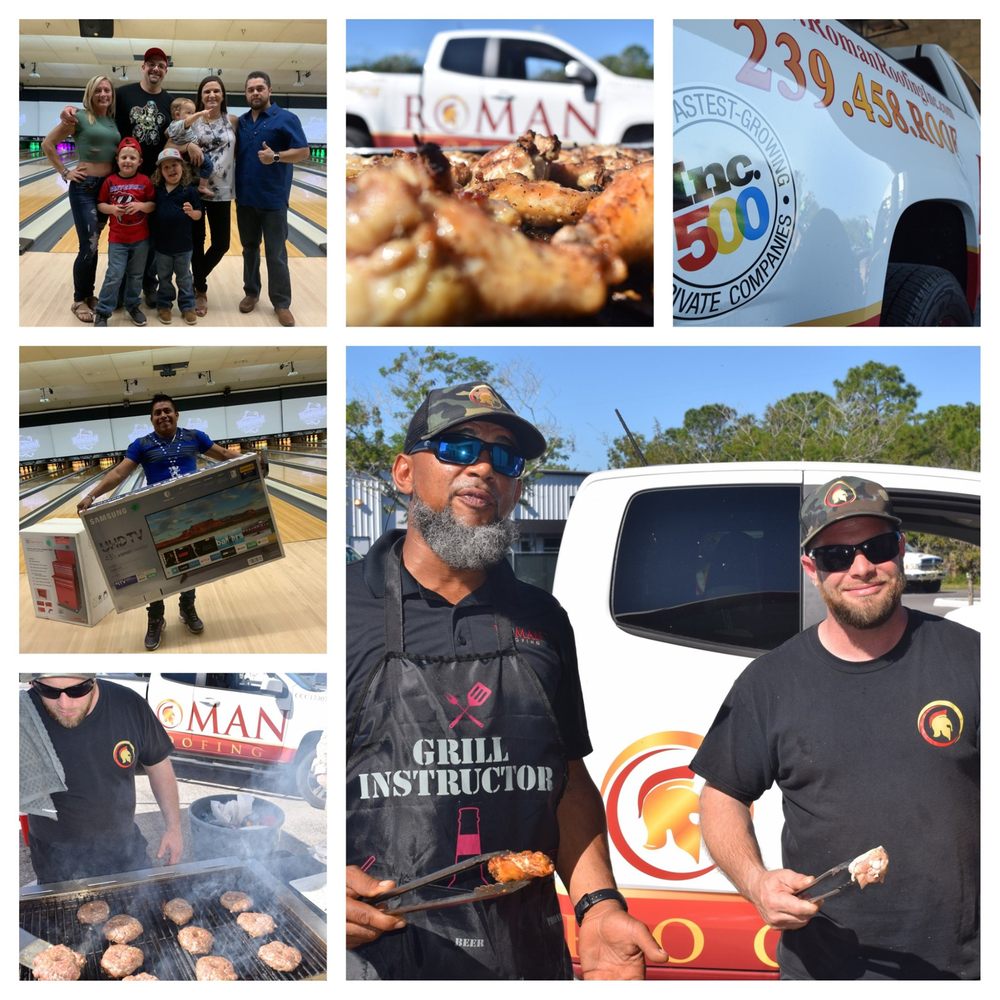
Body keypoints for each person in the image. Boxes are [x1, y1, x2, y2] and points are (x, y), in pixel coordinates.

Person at [346, 381, 667, 980]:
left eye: (506, 458)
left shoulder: (542, 621)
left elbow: (565, 775)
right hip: (376, 958)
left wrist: (598, 907)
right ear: (403, 472)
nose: (485, 468)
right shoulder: (342, 610)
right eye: (459, 449)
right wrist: (320, 885)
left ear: (518, 486)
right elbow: (291, 778)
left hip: (522, 958)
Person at [690, 475, 979, 980]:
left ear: (901, 550)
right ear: (811, 569)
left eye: (877, 547)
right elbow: (721, 796)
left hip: (967, 968)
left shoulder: (974, 659)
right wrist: (756, 883)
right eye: (836, 556)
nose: (861, 567)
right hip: (826, 970)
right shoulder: (770, 681)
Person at [76, 393, 251, 650]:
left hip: (193, 512)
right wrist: (91, 495)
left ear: (176, 414)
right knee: (154, 568)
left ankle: (187, 607)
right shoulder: (142, 444)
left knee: (191, 561)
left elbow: (223, 454)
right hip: (157, 517)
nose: (163, 416)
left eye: (167, 411)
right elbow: (118, 472)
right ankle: (156, 617)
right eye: (157, 413)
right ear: (152, 419)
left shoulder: (194, 436)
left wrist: (251, 461)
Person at [63, 47, 203, 307]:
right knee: (118, 236)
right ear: (143, 67)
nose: (155, 69)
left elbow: (173, 137)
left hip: (154, 180)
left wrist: (189, 144)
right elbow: (98, 111)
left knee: (149, 237)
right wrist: (72, 110)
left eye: (160, 65)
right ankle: (117, 286)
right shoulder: (123, 94)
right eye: (151, 64)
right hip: (120, 179)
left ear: (166, 70)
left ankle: (147, 285)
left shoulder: (169, 102)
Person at [23, 673, 182, 884]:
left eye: (76, 691)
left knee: (143, 906)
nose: (64, 703)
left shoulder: (128, 705)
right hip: (53, 852)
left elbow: (158, 765)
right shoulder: (22, 715)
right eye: (49, 692)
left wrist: (174, 827)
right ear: (33, 683)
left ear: (93, 680)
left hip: (122, 846)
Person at [41, 75, 120, 323]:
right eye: (98, 90)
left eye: (107, 89)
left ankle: (88, 294)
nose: (104, 94)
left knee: (94, 244)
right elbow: (48, 144)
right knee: (89, 244)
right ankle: (78, 299)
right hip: (85, 188)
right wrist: (65, 172)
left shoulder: (111, 121)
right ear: (90, 93)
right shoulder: (79, 117)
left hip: (105, 189)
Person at [235, 71, 309, 327]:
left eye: (259, 88)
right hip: (245, 199)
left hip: (274, 199)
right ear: (246, 94)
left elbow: (303, 151)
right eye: (250, 89)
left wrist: (276, 156)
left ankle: (281, 303)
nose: (255, 93)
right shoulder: (242, 122)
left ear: (269, 90)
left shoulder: (286, 118)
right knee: (249, 249)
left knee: (276, 253)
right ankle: (251, 293)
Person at [170, 75, 238, 317]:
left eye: (216, 91)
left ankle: (193, 279)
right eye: (206, 91)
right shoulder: (192, 121)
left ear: (222, 95)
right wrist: (188, 146)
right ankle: (200, 290)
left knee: (221, 244)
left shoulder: (232, 121)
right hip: (194, 189)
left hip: (222, 190)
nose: (211, 95)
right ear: (200, 95)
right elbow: (169, 145)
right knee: (196, 242)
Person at [93, 138, 155, 327]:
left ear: (139, 161)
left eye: (132, 158)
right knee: (114, 275)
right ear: (117, 159)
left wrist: (140, 206)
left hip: (141, 239)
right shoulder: (110, 181)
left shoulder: (145, 181)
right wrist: (111, 209)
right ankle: (103, 311)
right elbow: (100, 204)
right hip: (118, 239)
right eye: (124, 157)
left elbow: (152, 205)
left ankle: (133, 305)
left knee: (136, 276)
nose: (128, 161)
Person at [149, 147, 202, 324]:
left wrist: (192, 212)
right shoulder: (157, 190)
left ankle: (187, 306)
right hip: (162, 246)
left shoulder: (190, 190)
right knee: (163, 278)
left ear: (182, 167)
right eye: (166, 167)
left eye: (174, 165)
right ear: (161, 172)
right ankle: (164, 305)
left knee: (184, 277)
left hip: (184, 246)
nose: (171, 170)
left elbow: (199, 215)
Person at [165, 97, 215, 199]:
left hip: (185, 154)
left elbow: (166, 133)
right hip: (186, 154)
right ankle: (202, 187)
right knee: (208, 165)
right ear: (177, 115)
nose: (192, 115)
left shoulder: (173, 126)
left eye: (193, 112)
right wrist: (200, 113)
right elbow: (187, 121)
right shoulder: (180, 124)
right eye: (189, 112)